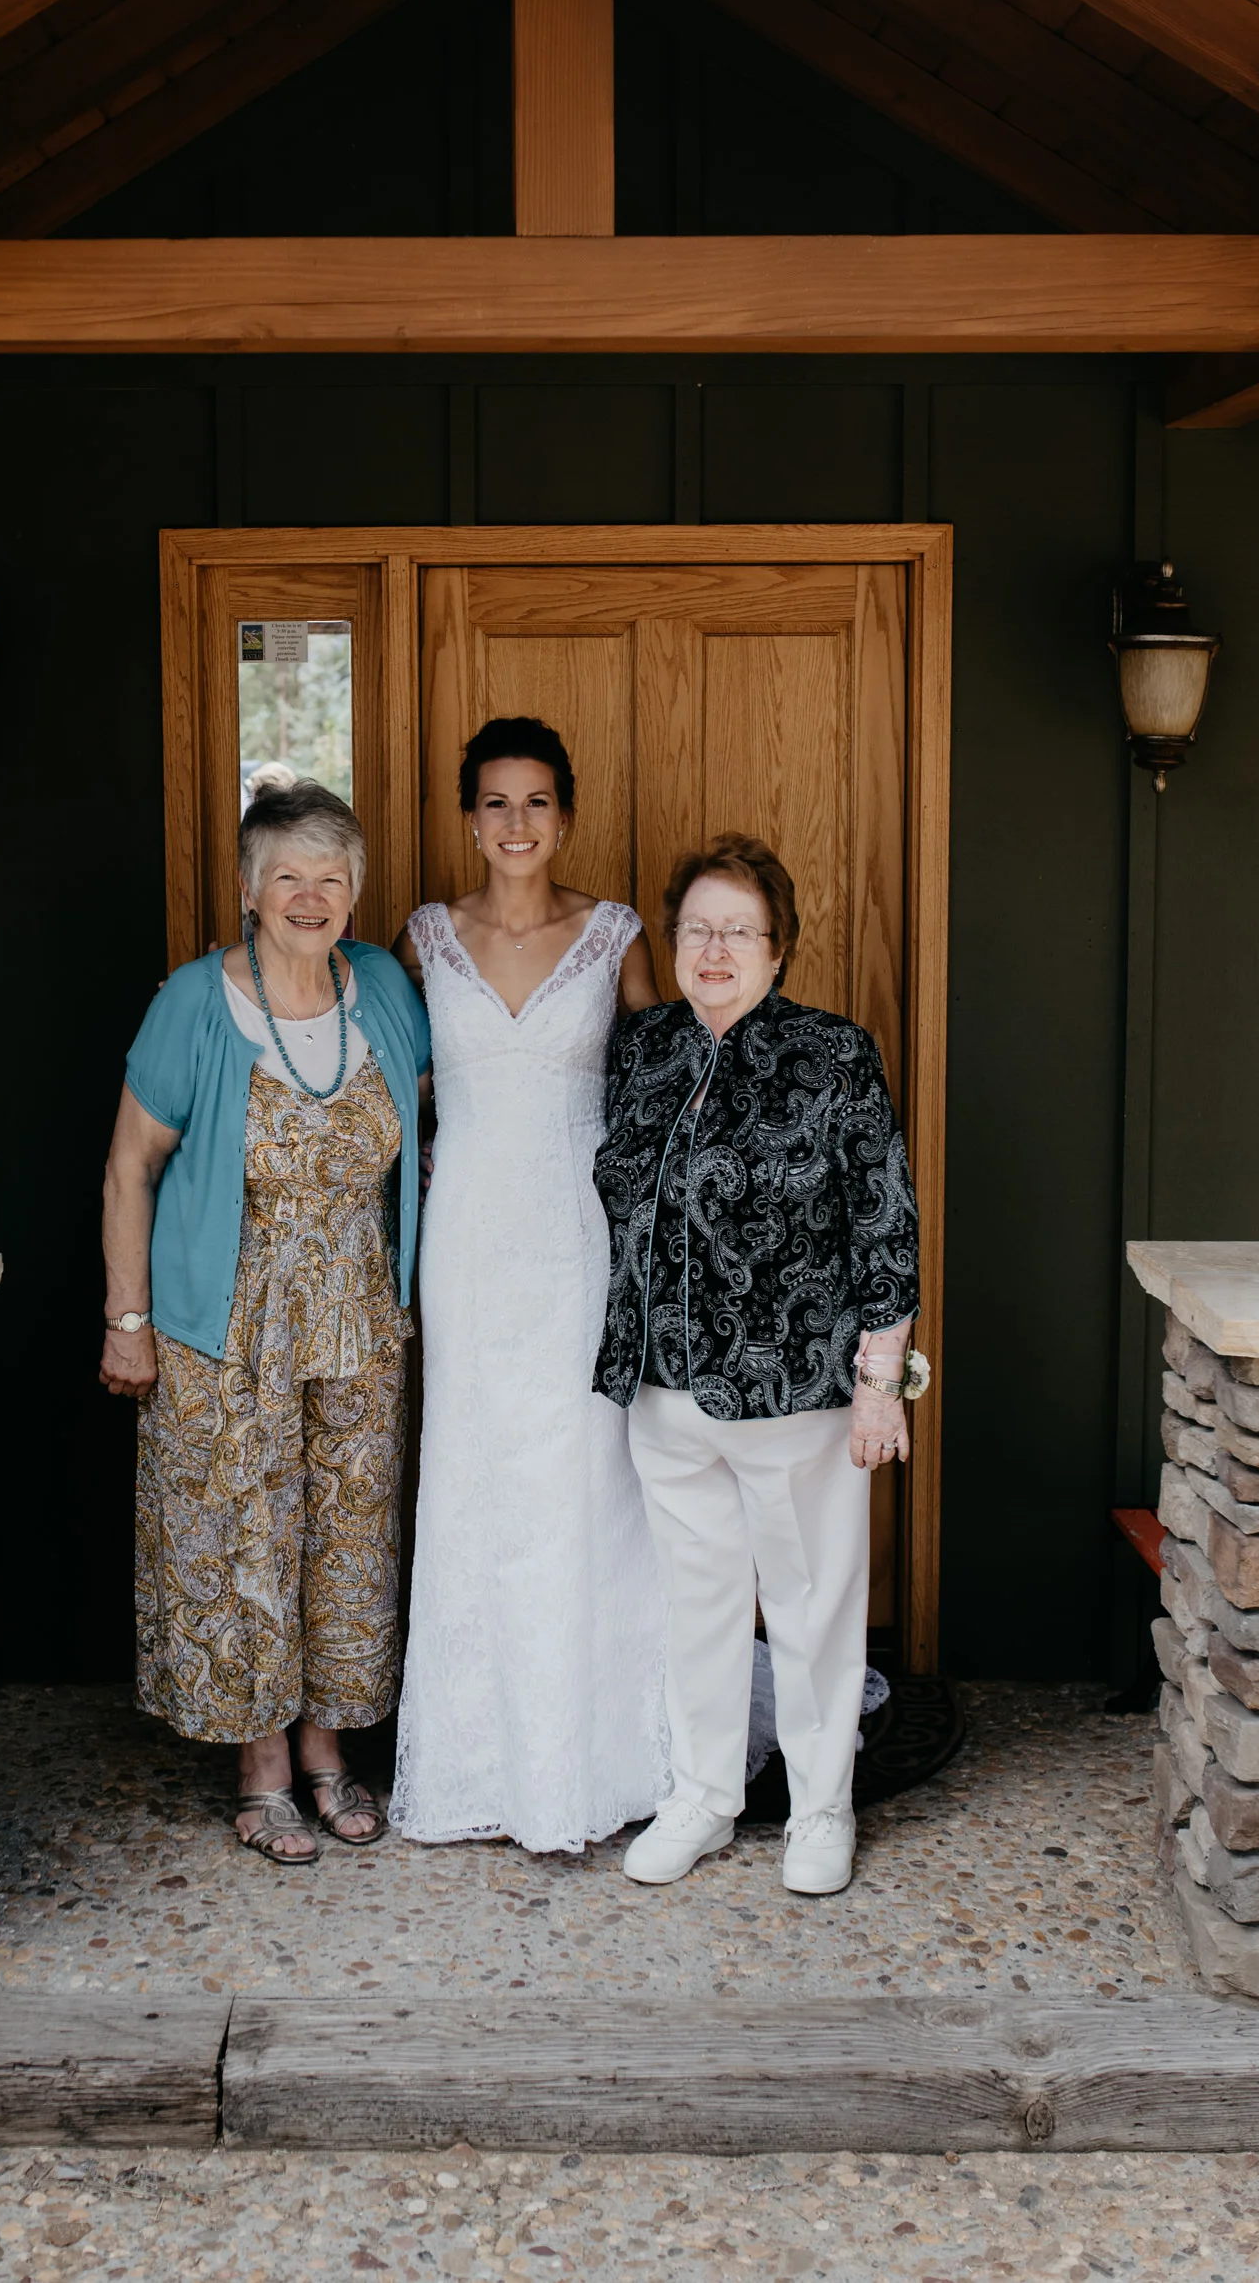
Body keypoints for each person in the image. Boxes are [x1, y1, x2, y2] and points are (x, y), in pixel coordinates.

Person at [100, 782, 431, 1864]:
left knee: (349, 1539)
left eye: (331, 875)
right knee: (242, 1531)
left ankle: (328, 1749)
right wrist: (126, 1319)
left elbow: (433, 1120)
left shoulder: (382, 987)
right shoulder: (195, 1001)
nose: (309, 894)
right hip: (227, 1320)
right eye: (287, 873)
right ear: (248, 889)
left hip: (361, 1316)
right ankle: (262, 1768)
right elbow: (130, 1167)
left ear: (355, 891)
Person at [592, 833, 921, 1897]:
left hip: (796, 1391)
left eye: (738, 931)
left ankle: (821, 1808)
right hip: (662, 1386)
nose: (714, 949)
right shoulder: (644, 1050)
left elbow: (883, 1223)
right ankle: (702, 1796)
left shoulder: (831, 1054)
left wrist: (881, 1383)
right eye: (696, 929)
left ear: (778, 947)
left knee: (812, 1604)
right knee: (696, 1605)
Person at [389, 716, 669, 1854]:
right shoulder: (422, 939)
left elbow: (660, 1084)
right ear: (469, 818)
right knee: (474, 1478)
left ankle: (595, 1761)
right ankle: (474, 1763)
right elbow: (390, 1079)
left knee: (583, 1479)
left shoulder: (614, 936)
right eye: (495, 802)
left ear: (565, 816)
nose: (516, 823)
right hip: (465, 1241)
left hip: (576, 1238)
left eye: (536, 801)